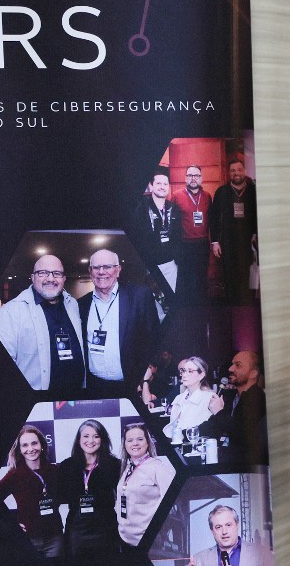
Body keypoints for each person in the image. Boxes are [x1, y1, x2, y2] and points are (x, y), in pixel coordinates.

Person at [0, 255, 85, 394]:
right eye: (43, 273)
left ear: (64, 279)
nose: (50, 279)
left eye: (57, 273)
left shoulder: (73, 305)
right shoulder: (10, 312)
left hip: (76, 397)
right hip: (38, 402)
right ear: (33, 277)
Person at [78, 248, 160, 395]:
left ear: (118, 270)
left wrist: (145, 379)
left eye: (107, 267)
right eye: (96, 267)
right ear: (90, 272)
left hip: (130, 386)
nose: (101, 272)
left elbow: (154, 338)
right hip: (93, 386)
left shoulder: (139, 296)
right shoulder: (81, 304)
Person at [56, 419, 120, 559]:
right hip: (77, 530)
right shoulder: (67, 466)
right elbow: (54, 496)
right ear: (79, 440)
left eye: (96, 436)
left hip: (106, 528)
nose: (90, 441)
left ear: (102, 439)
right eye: (86, 436)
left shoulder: (114, 465)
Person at [0, 425, 63, 558]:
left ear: (41, 445)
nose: (31, 449)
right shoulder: (14, 475)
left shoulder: (54, 471)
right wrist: (11, 523)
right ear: (20, 450)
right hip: (28, 539)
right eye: (25, 445)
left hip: (55, 539)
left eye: (34, 443)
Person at [199, 348, 269, 466]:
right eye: (232, 364)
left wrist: (219, 412)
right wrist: (191, 433)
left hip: (245, 464)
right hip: (226, 455)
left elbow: (243, 435)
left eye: (238, 365)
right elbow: (213, 425)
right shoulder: (231, 396)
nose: (230, 369)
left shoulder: (257, 399)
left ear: (253, 373)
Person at [115, 420, 176, 548]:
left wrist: (156, 530)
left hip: (147, 541)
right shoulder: (128, 468)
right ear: (125, 444)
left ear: (147, 442)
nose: (135, 443)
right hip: (124, 539)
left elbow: (173, 499)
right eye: (130, 440)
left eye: (140, 439)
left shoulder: (157, 467)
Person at [128, 169, 184, 301]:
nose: (162, 187)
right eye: (158, 183)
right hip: (150, 264)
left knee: (169, 300)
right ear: (151, 185)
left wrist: (176, 258)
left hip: (170, 264)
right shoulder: (141, 207)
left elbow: (178, 235)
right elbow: (136, 235)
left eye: (165, 184)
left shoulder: (174, 208)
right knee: (151, 301)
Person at [209, 156, 258, 305]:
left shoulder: (253, 191)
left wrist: (256, 233)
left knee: (247, 275)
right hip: (228, 242)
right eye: (232, 170)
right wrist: (215, 241)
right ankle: (232, 306)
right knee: (230, 277)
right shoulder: (222, 192)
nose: (236, 173)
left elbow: (258, 215)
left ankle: (247, 306)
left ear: (244, 171)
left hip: (248, 242)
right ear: (229, 173)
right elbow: (214, 217)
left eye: (239, 170)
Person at [163, 355, 215, 459]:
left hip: (197, 452)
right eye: (183, 371)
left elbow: (208, 431)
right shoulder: (179, 398)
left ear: (201, 375)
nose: (184, 375)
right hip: (176, 449)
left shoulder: (209, 398)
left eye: (190, 371)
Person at [175, 163, 213, 303]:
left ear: (201, 178)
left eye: (196, 175)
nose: (193, 178)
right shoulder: (177, 196)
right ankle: (188, 309)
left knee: (202, 277)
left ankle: (201, 307)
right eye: (190, 175)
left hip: (202, 244)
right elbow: (173, 224)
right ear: (185, 178)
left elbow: (212, 220)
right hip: (184, 245)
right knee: (186, 279)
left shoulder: (207, 196)